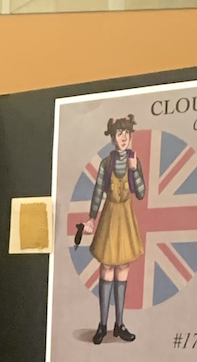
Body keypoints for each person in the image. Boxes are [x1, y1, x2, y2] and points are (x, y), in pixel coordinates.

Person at [85, 115, 145, 345]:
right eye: (119, 134)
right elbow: (98, 190)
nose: (124, 138)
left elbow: (141, 193)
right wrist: (92, 218)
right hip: (110, 216)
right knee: (107, 267)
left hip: (126, 216)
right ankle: (103, 325)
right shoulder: (105, 163)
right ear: (112, 138)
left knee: (123, 267)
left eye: (127, 134)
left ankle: (119, 325)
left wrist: (134, 170)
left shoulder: (134, 161)